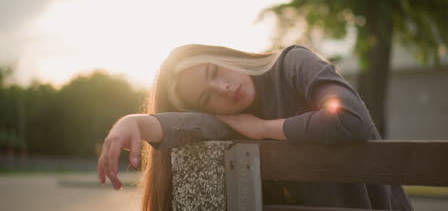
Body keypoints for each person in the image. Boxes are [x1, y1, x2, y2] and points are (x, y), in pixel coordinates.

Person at [97, 44, 414, 211]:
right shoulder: (234, 121)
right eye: (208, 97)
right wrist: (135, 121)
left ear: (226, 55)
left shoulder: (293, 64)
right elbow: (194, 126)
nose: (223, 88)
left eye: (214, 71)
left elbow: (350, 119)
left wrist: (265, 128)